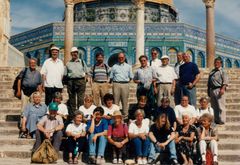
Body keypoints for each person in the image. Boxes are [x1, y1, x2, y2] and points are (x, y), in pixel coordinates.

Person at [65, 47, 88, 116]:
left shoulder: (82, 62)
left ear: (77, 53)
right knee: (72, 100)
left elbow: (86, 72)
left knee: (80, 99)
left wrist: (85, 81)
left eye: (76, 52)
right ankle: (73, 115)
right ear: (71, 54)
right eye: (73, 52)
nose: (75, 54)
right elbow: (65, 74)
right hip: (71, 82)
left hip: (80, 81)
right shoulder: (68, 63)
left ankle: (80, 115)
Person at [110, 52, 134, 116]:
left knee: (125, 101)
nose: (121, 59)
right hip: (116, 84)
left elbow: (131, 77)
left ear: (124, 58)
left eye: (122, 57)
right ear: (118, 58)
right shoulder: (114, 66)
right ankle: (116, 115)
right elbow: (111, 77)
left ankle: (125, 115)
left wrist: (126, 83)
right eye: (119, 57)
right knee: (115, 101)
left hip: (125, 85)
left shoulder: (128, 66)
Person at [207, 57, 228, 125]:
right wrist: (208, 90)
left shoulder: (222, 71)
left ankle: (222, 120)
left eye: (218, 62)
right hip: (212, 90)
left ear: (221, 64)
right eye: (215, 62)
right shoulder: (212, 71)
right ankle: (216, 120)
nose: (216, 64)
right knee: (214, 106)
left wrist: (223, 89)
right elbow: (209, 82)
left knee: (221, 106)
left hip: (219, 89)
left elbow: (225, 81)